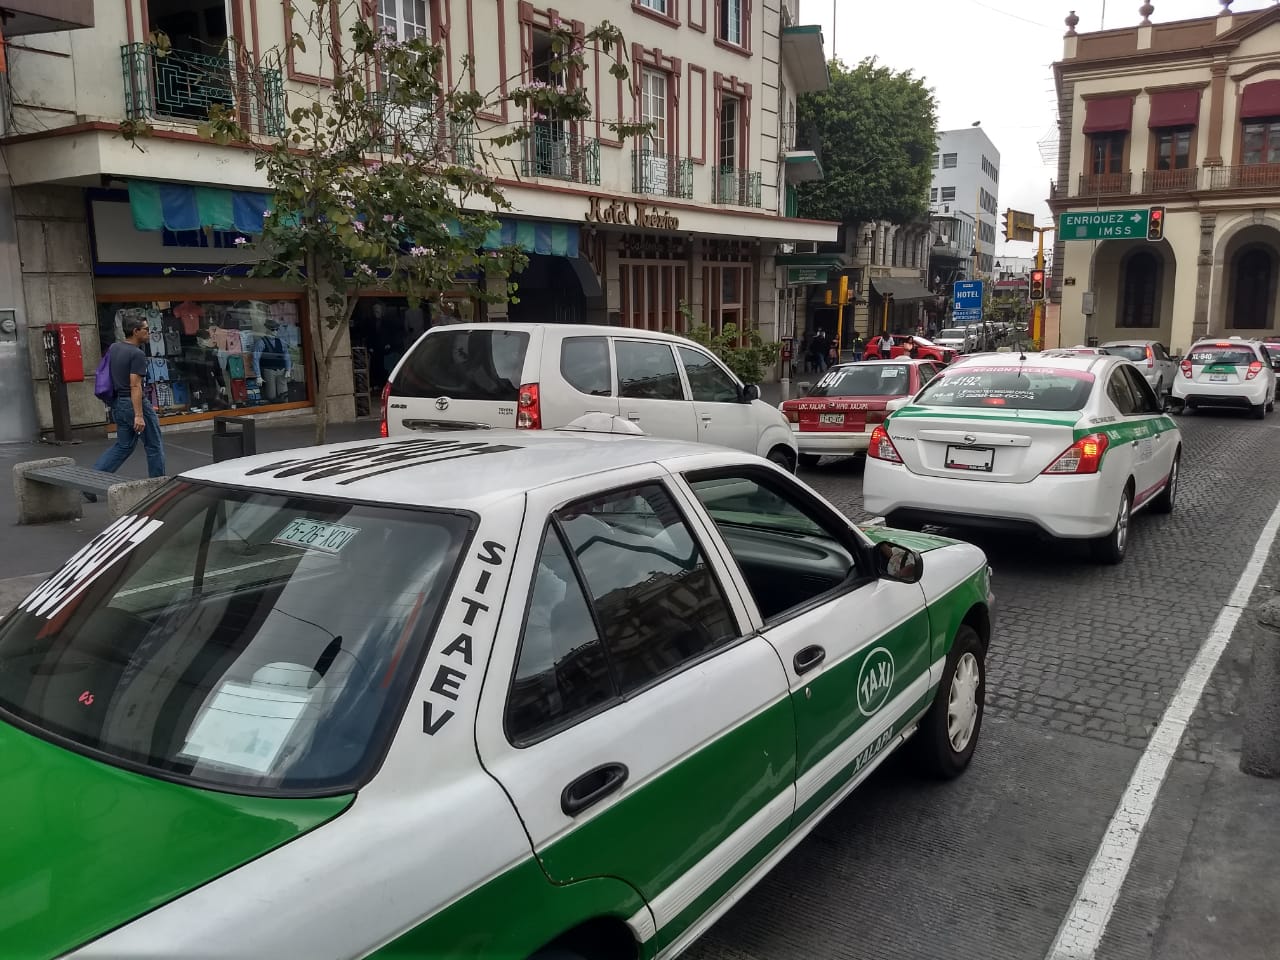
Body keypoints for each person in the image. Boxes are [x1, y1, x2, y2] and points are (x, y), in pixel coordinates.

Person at [91, 315, 166, 492]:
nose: (149, 332)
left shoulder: (115, 347)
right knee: (154, 445)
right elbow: (135, 385)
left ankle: (93, 481)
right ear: (135, 331)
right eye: (146, 329)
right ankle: (159, 487)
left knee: (123, 445)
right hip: (134, 403)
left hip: (119, 403)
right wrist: (139, 415)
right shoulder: (137, 354)